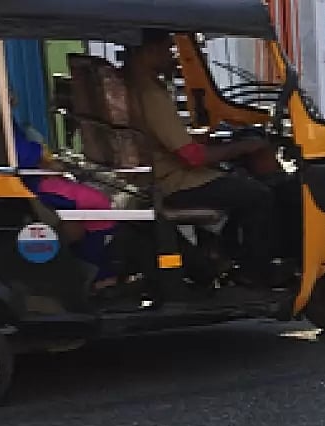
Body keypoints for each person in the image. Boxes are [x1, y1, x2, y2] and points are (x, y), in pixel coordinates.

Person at [122, 29, 289, 287]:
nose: (173, 57)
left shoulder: (133, 84)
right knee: (259, 195)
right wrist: (242, 147)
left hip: (156, 173)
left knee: (234, 183)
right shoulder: (150, 94)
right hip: (172, 181)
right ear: (150, 51)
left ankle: (218, 254)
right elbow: (193, 157)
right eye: (168, 49)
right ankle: (254, 272)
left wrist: (203, 138)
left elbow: (167, 138)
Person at [11, 94, 118, 290]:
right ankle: (97, 273)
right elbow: (21, 155)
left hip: (36, 178)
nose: (13, 95)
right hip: (30, 184)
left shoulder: (6, 118)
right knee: (97, 202)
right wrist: (43, 158)